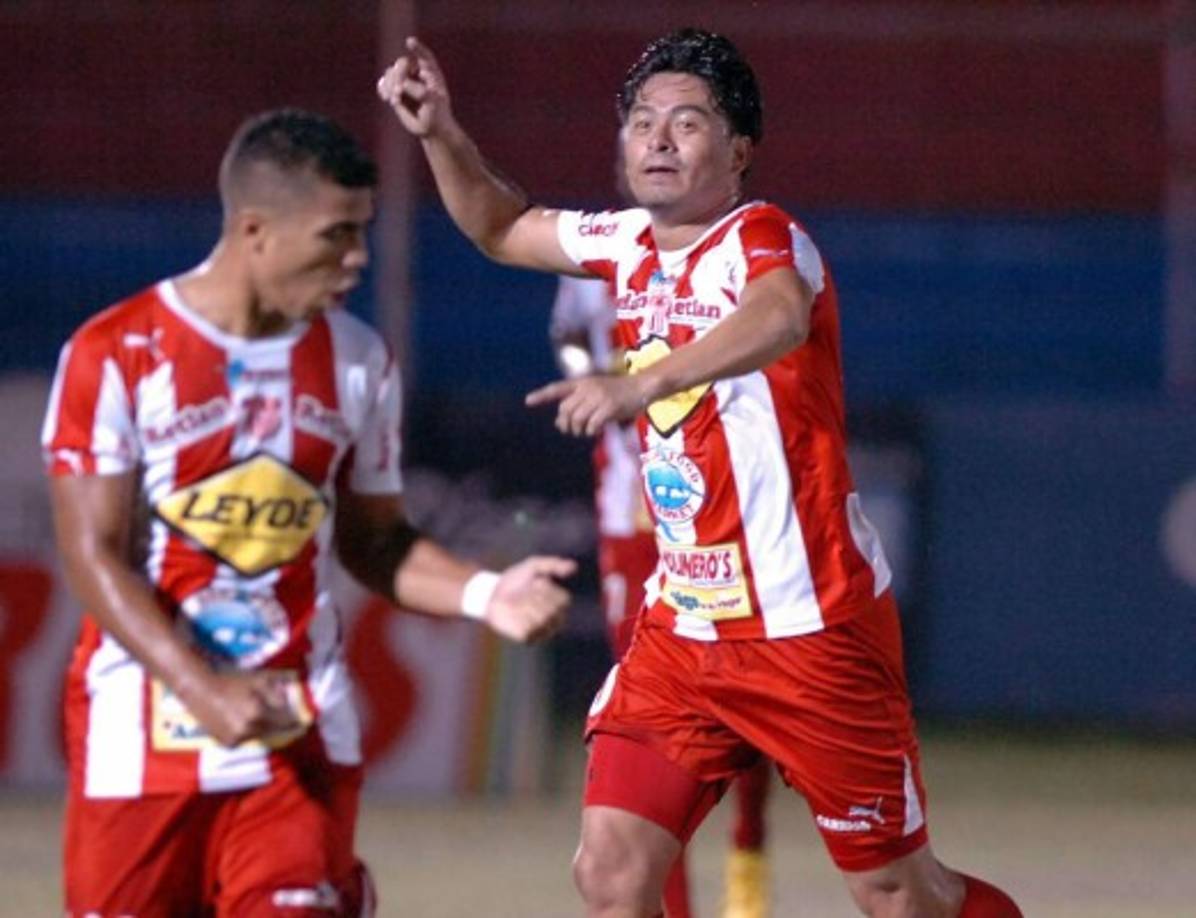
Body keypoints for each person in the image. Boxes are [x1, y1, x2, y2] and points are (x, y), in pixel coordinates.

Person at [378, 27, 1022, 918]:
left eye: (687, 122)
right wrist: (439, 132)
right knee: (610, 871)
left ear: (740, 150)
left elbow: (780, 314)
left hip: (811, 627)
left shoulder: (766, 237)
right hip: (683, 632)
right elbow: (499, 227)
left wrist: (644, 381)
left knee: (901, 896)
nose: (658, 140)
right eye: (643, 122)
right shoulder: (625, 241)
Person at [42, 108, 574, 917]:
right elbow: (93, 555)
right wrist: (205, 688)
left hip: (299, 730)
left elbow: (377, 541)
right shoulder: (114, 353)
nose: (358, 258)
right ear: (255, 230)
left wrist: (486, 595)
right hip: (140, 732)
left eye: (364, 231)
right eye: (337, 234)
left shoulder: (358, 359)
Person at [551, 274, 773, 918]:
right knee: (648, 731)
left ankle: (748, 848)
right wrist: (590, 375)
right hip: (632, 515)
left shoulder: (732, 263)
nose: (661, 165)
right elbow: (566, 334)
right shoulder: (591, 264)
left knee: (748, 703)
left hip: (720, 513)